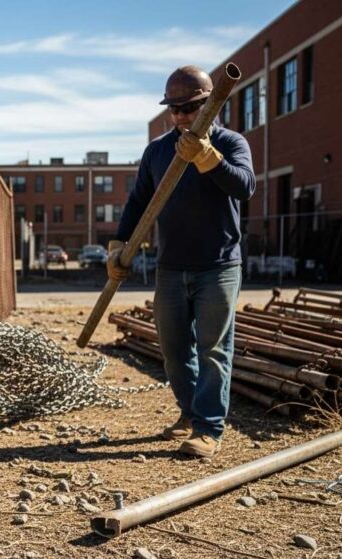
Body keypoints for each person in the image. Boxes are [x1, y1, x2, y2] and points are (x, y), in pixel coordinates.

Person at [109, 65, 256, 458]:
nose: (181, 117)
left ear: (212, 103)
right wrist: (117, 243)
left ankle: (209, 428)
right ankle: (189, 415)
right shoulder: (158, 150)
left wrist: (209, 158)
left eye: (189, 108)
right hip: (171, 266)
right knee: (175, 350)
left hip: (219, 265)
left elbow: (244, 186)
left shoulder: (231, 142)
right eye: (174, 109)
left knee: (213, 349)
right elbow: (139, 200)